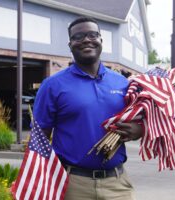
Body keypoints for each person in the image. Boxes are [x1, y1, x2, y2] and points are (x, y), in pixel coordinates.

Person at [33, 16, 143, 200]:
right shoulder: (53, 85)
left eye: (92, 35)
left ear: (101, 40)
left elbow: (142, 120)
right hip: (72, 184)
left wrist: (139, 130)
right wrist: (35, 180)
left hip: (117, 184)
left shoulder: (123, 83)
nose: (86, 40)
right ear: (70, 45)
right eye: (78, 37)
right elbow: (39, 138)